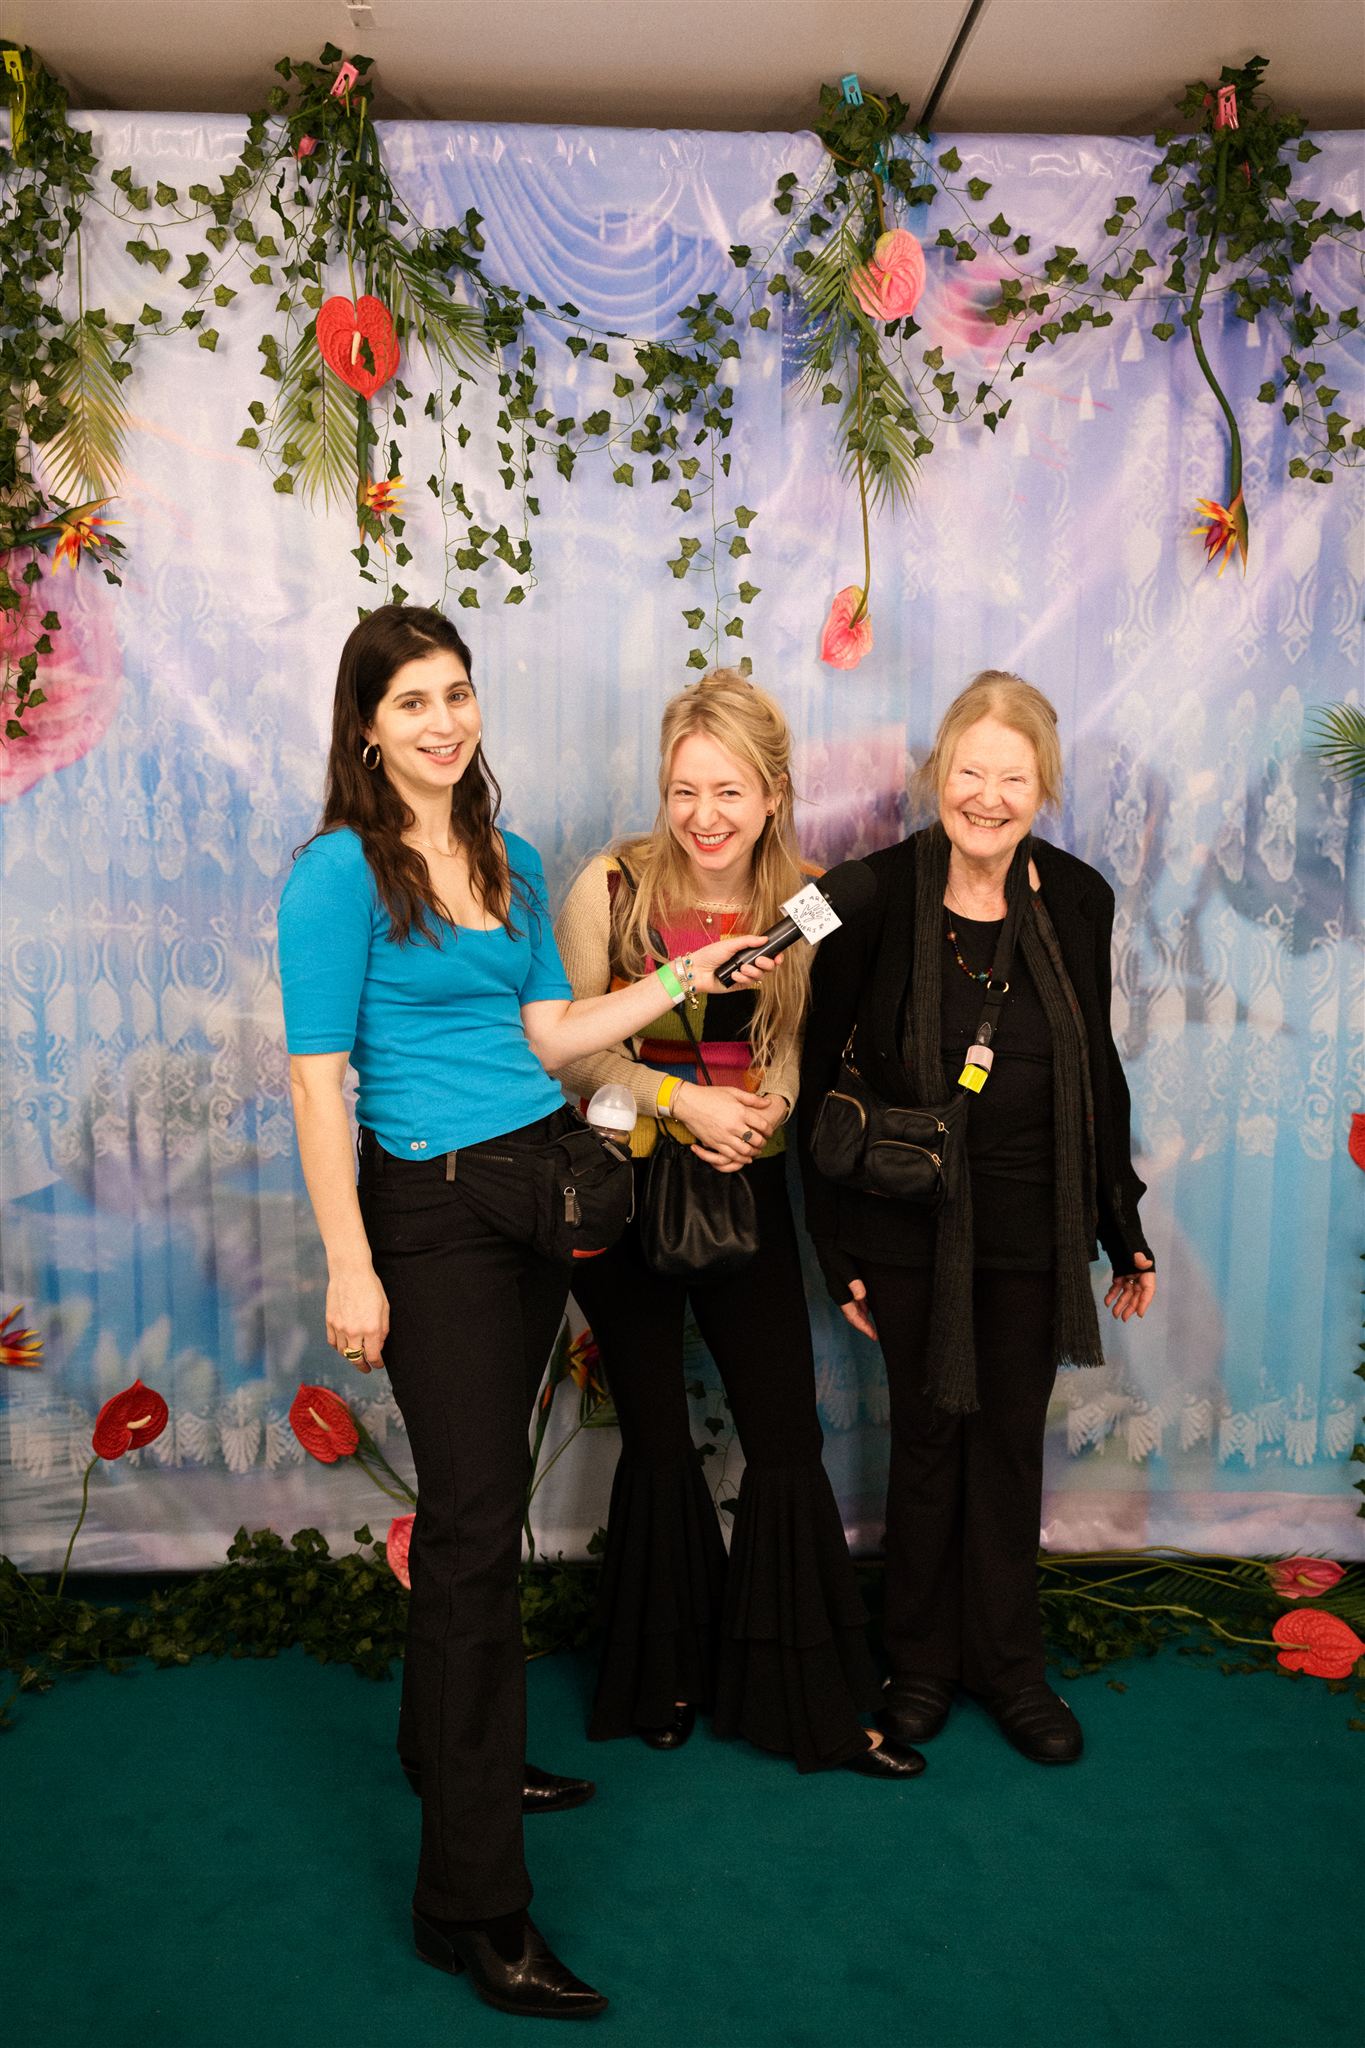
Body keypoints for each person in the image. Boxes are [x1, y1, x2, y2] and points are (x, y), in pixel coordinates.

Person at [277, 607, 781, 2022]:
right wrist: (348, 1262)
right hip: (427, 1216)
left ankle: (453, 1754)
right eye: (413, 701)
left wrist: (681, 980)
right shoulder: (333, 877)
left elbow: (553, 1035)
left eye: (458, 693)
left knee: (469, 1517)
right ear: (367, 725)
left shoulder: (510, 862)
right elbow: (322, 1083)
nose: (443, 720)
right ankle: (474, 1907)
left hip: (537, 1201)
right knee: (477, 1532)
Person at [553, 669, 923, 1779]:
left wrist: (754, 1119)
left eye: (728, 790)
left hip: (742, 1185)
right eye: (682, 789)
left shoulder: (808, 901)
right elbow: (572, 1046)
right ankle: (667, 1674)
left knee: (785, 1438)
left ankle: (807, 1696)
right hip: (623, 1193)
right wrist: (682, 1102)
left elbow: (797, 1052)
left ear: (772, 793)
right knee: (659, 1437)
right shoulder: (609, 884)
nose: (704, 814)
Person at [798, 670, 1156, 1766]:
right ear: (936, 775)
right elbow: (817, 1077)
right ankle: (920, 1664)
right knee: (928, 1441)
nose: (988, 796)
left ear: (1041, 786)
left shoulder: (1079, 897)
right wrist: (835, 1244)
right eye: (969, 771)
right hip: (906, 1230)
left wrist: (1120, 1217)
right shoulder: (868, 893)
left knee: (1007, 1446)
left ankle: (1009, 1667)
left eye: (1012, 775)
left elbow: (1094, 1062)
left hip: (1033, 1230)